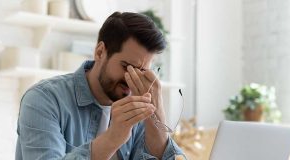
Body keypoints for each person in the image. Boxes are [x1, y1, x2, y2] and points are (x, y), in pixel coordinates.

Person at [15, 11, 185, 160]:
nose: (132, 79)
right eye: (126, 67)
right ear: (100, 52)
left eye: (142, 71)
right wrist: (112, 138)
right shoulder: (43, 100)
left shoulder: (139, 111)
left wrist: (158, 116)